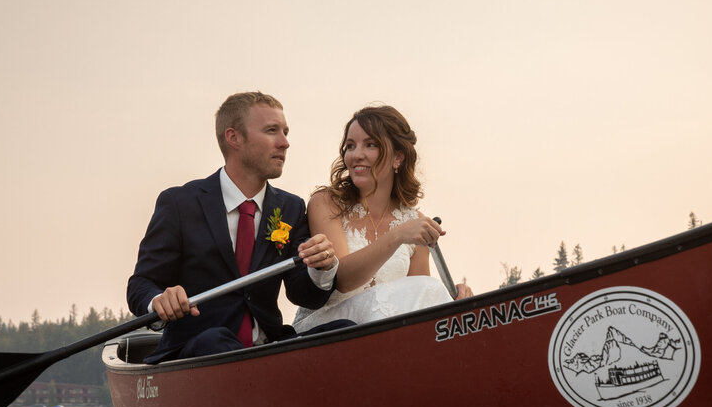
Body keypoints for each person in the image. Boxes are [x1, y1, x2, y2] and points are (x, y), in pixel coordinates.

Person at [127, 91, 343, 363]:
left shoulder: (291, 207)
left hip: (268, 345)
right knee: (215, 341)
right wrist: (158, 299)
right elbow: (140, 285)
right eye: (271, 131)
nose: (285, 143)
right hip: (199, 348)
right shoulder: (179, 203)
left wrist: (321, 268)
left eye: (285, 132)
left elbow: (305, 296)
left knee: (346, 331)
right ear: (234, 138)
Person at [293, 104, 473, 333]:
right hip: (329, 328)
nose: (357, 154)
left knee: (430, 290)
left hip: (388, 335)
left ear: (398, 157)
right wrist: (397, 236)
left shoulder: (414, 222)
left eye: (371, 145)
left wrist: (449, 300)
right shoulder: (326, 202)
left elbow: (417, 302)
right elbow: (342, 279)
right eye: (350, 146)